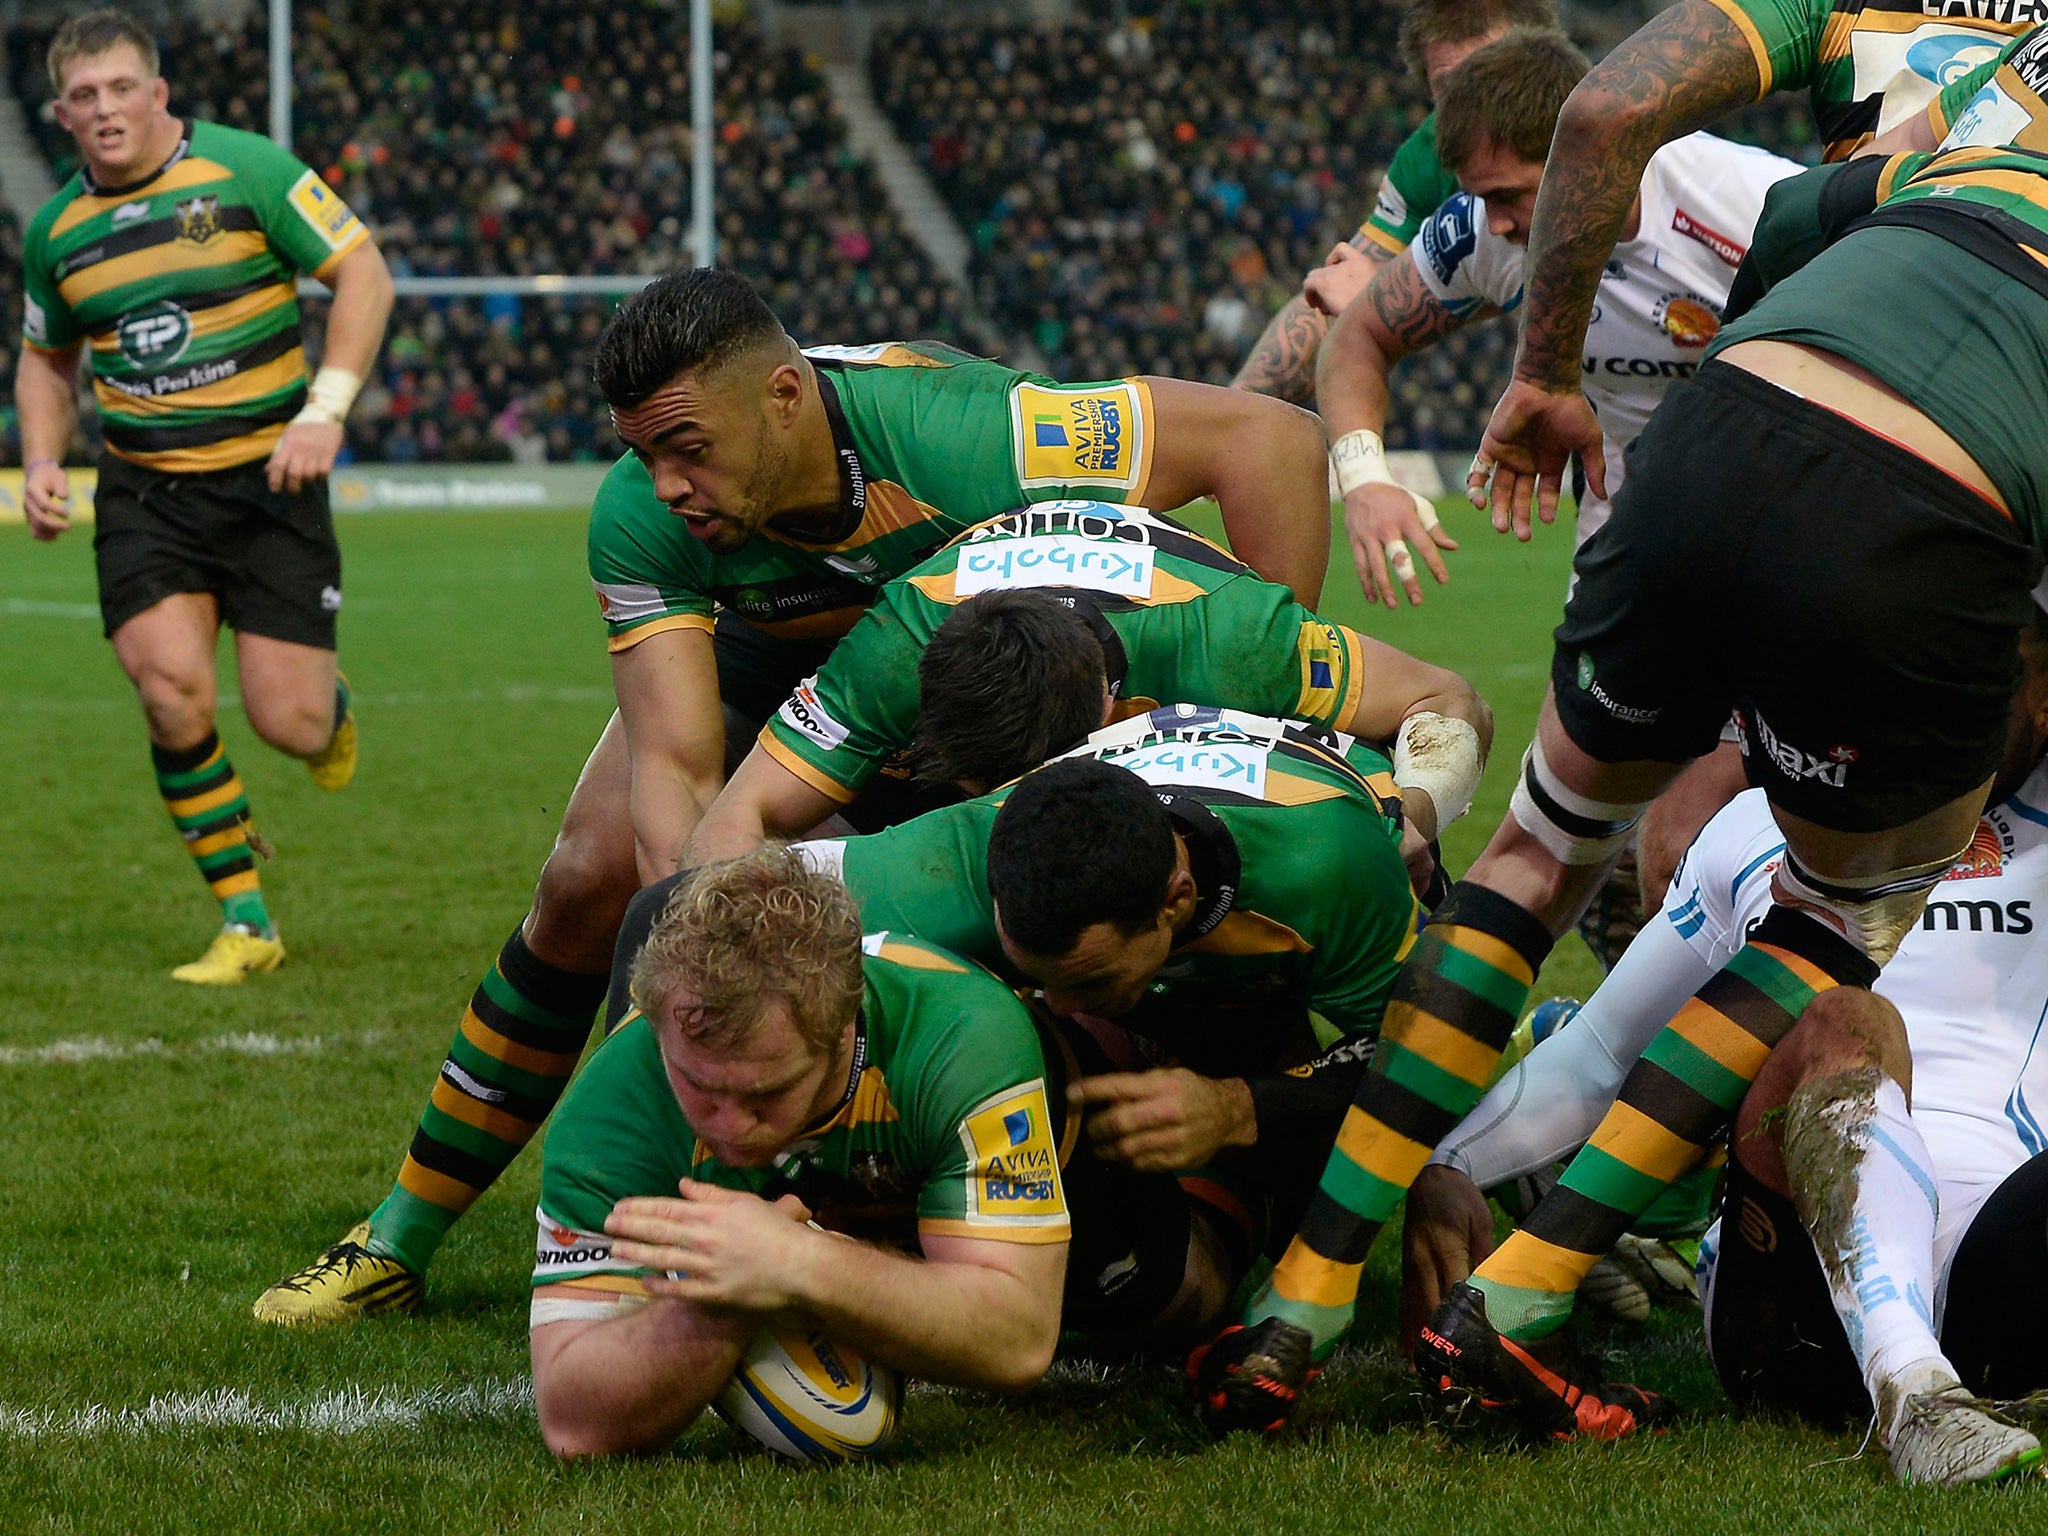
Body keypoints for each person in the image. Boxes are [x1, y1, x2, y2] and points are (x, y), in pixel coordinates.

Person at [1191, 43, 2048, 1440]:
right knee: (1831, 918)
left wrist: (1550, 378)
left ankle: (1298, 1299)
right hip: (1905, 519)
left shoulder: (1935, 143)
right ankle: (1523, 1296)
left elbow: (1732, 180)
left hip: (1707, 462)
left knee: (1533, 851)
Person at [255, 269, 1333, 1323]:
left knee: (1048, 908)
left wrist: (1253, 716)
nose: (666, 482)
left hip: (976, 672)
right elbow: (675, 771)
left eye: (688, 447)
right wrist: (700, 995)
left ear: (784, 396)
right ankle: (401, 1234)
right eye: (643, 452)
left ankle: (1076, 1187)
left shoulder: (974, 435)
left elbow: (1268, 439)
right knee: (590, 876)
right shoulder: (643, 514)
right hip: (780, 668)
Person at [1403, 606, 2048, 1482]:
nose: (1943, 709)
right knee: (1845, 1017)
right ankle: (1916, 1396)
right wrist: (1448, 1164)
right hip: (1785, 1313)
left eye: (1987, 685)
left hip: (2001, 1275)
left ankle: (1944, 1388)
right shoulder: (1762, 828)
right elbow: (1600, 1055)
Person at [618, 709, 1423, 1306]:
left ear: (1174, 905)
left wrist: (1239, 1107)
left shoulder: (1331, 869)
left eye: (1088, 980)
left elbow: (1418, 1059)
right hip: (1168, 961)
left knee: (1340, 1195)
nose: (1062, 1006)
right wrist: (645, 1171)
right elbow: (664, 911)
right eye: (1033, 972)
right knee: (1142, 1290)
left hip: (1296, 979)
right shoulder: (960, 861)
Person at [1318, 26, 1794, 968]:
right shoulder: (1482, 236)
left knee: (1692, 848)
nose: (1494, 224)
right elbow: (1357, 340)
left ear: (1592, 155)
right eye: (1479, 200)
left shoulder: (1749, 205)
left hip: (1778, 539)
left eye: (1509, 196)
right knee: (1565, 842)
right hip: (1632, 556)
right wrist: (1365, 480)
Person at [16, 9, 393, 983]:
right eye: (84, 96)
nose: (105, 110)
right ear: (60, 112)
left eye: (121, 89)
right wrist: (46, 459)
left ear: (158, 93)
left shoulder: (249, 172)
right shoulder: (57, 231)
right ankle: (246, 922)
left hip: (272, 482)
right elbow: (45, 358)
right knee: (170, 693)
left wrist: (327, 408)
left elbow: (362, 272)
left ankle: (330, 706)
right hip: (147, 498)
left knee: (291, 725)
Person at [529, 846, 1071, 1458]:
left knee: (1156, 1289)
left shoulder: (962, 1038)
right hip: (891, 1239)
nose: (729, 1124)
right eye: (699, 1085)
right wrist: (721, 1298)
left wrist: (798, 1263)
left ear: (842, 1031)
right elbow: (572, 1421)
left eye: (767, 1092)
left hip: (1076, 1178)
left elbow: (1020, 1338)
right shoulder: (614, 1106)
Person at [686, 500, 1489, 870]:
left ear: (1106, 716)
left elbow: (1449, 702)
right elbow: (732, 825)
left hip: (1208, 752)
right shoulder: (894, 646)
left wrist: (1412, 821)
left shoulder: (1234, 640)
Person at [1468, 0, 2029, 528]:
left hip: (1876, 401)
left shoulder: (1752, 177)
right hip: (1996, 388)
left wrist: (1543, 375)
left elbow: (1606, 111)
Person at [1231, 0, 1557, 404]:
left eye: (1495, 78)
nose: (1477, 103)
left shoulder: (1622, 135)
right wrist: (1235, 410)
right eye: (1452, 88)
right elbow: (1339, 292)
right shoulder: (1424, 162)